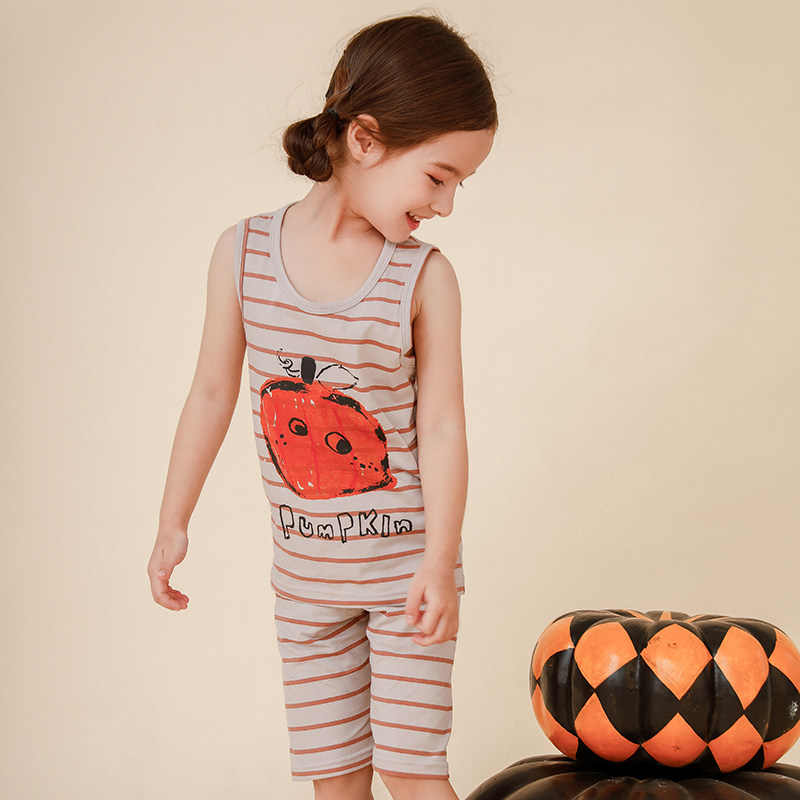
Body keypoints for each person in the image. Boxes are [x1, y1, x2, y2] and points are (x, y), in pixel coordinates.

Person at [147, 13, 497, 800]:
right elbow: (211, 392)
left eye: (458, 185)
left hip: (409, 579)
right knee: (334, 782)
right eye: (438, 177)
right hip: (305, 585)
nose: (446, 204)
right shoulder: (242, 255)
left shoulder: (424, 278)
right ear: (365, 140)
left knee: (411, 773)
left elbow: (443, 426)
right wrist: (174, 519)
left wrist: (439, 562)